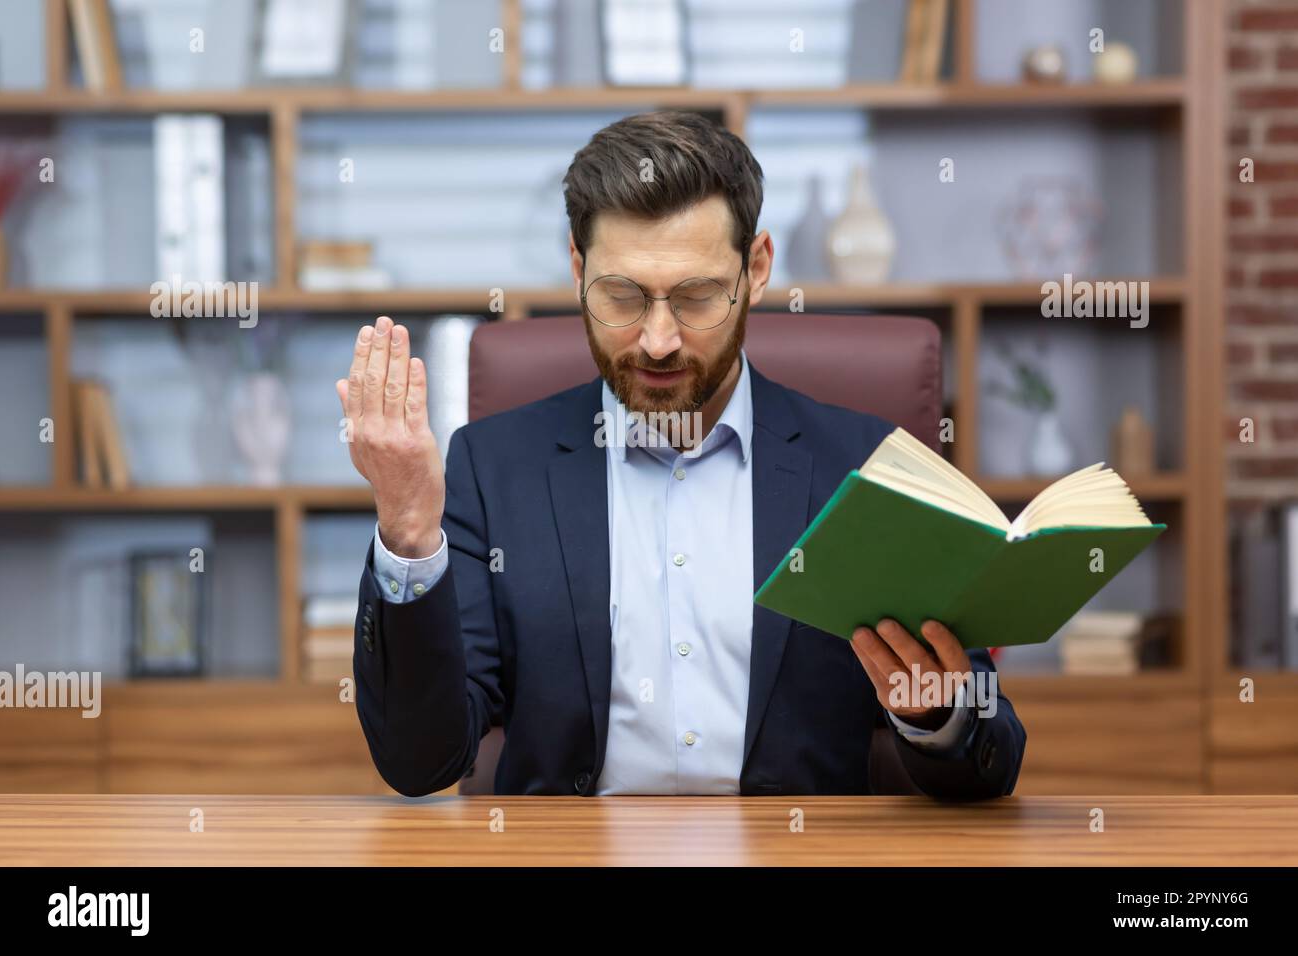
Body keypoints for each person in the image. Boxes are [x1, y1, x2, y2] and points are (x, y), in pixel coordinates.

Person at [336, 110, 1026, 797]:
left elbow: (991, 755)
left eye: (696, 297)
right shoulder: (493, 469)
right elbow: (419, 760)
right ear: (578, 271)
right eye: (623, 296)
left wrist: (937, 712)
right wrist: (406, 529)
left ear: (756, 270)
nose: (658, 340)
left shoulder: (866, 467)